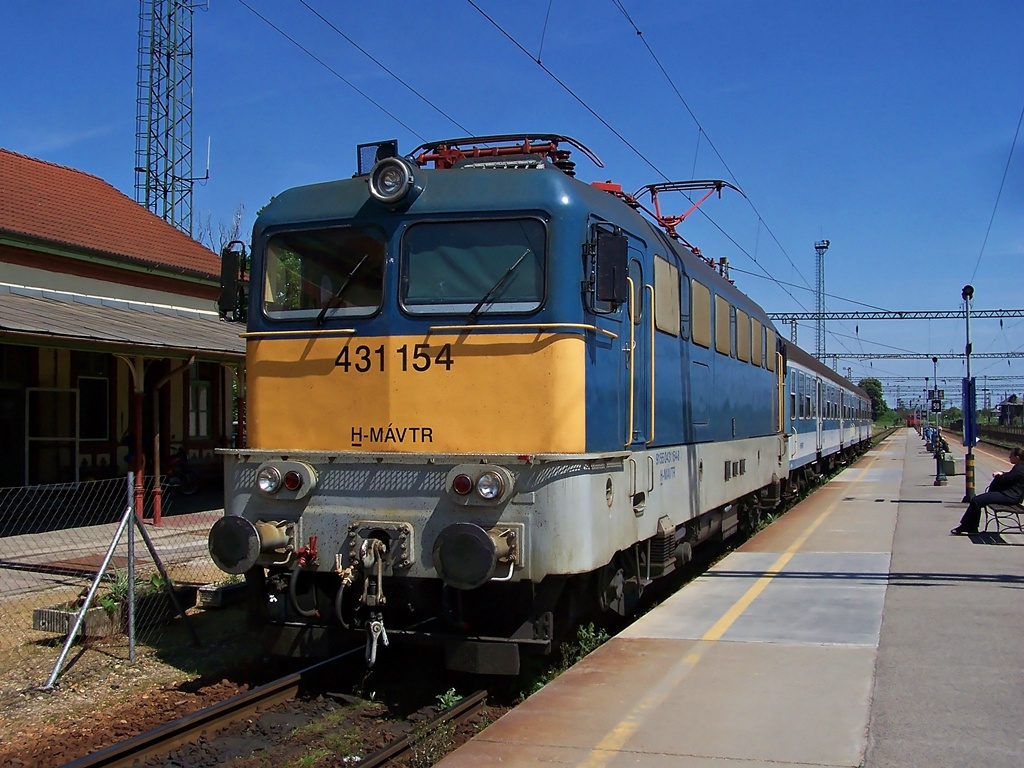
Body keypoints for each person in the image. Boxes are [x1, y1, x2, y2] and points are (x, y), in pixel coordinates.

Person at [950, 445, 1024, 534]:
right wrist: (1002, 474)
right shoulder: (1020, 467)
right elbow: (1010, 477)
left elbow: (1007, 479)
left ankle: (967, 527)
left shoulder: (1020, 469)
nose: (1009, 457)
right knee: (977, 500)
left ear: (1017, 457)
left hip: (1009, 496)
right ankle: (969, 527)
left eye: (1011, 455)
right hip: (1010, 495)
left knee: (976, 500)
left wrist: (999, 476)